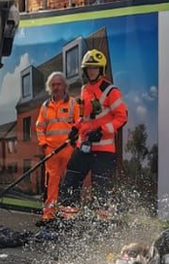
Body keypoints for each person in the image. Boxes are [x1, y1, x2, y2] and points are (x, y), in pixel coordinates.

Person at [57, 49, 128, 221]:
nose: (91, 71)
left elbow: (122, 117)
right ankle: (68, 220)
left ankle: (102, 226)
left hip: (104, 150)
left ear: (101, 70)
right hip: (85, 146)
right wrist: (75, 128)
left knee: (102, 189)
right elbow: (85, 117)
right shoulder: (85, 89)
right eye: (88, 68)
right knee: (71, 180)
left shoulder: (111, 91)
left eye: (95, 68)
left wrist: (102, 131)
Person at [34, 71, 78, 223]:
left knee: (69, 182)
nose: (56, 87)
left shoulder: (73, 103)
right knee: (52, 183)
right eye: (53, 85)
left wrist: (75, 143)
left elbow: (79, 125)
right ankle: (49, 215)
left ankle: (67, 215)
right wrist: (44, 144)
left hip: (68, 150)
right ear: (49, 88)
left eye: (59, 84)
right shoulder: (45, 106)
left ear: (64, 86)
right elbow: (39, 127)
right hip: (51, 151)